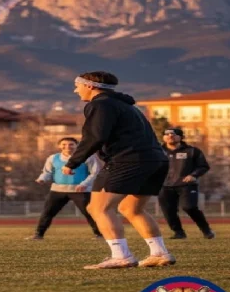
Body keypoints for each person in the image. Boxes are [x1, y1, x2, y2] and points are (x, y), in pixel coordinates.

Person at [64, 71, 173, 269]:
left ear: (90, 86)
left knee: (98, 208)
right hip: (155, 160)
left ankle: (121, 255)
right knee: (130, 208)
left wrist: (73, 162)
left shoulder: (99, 104)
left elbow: (95, 136)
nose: (75, 89)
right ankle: (160, 253)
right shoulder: (127, 105)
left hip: (127, 161)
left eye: (77, 85)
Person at [27, 137, 103, 240]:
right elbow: (47, 172)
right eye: (64, 144)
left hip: (80, 190)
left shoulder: (87, 157)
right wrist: (42, 179)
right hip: (58, 190)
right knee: (47, 212)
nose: (67, 146)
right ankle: (38, 234)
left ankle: (99, 234)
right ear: (59, 146)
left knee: (89, 212)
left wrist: (84, 184)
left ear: (77, 146)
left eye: (71, 144)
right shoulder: (53, 158)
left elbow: (94, 173)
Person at [159, 127, 216, 240]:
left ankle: (206, 230)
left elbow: (203, 166)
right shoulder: (158, 151)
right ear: (163, 137)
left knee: (189, 207)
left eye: (174, 134)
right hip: (164, 186)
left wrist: (193, 175)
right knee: (168, 211)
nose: (170, 136)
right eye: (167, 134)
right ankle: (179, 232)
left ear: (181, 137)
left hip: (186, 185)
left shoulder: (192, 151)